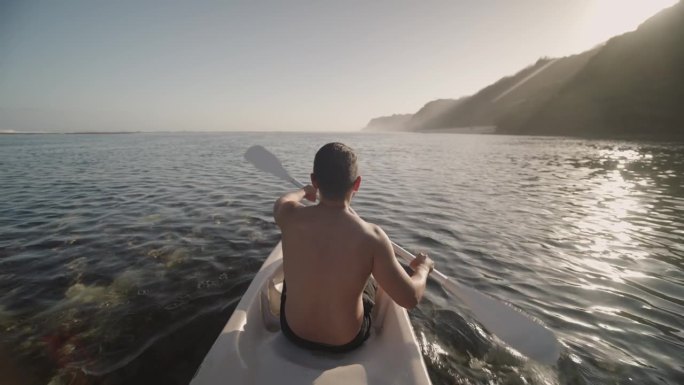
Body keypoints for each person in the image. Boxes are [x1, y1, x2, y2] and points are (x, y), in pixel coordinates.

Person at [273, 142, 434, 353]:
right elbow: (410, 298)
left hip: (293, 332)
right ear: (357, 184)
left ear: (315, 180)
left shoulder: (287, 215)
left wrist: (304, 191)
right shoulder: (372, 237)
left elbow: (285, 199)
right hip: (345, 341)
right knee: (369, 276)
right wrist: (422, 268)